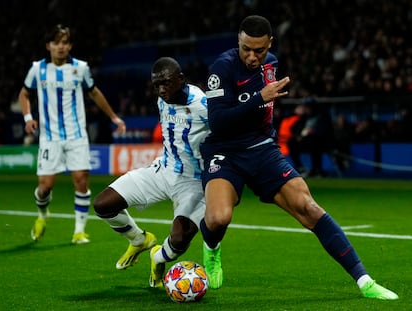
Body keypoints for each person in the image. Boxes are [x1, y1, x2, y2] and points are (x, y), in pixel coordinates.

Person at [199, 15, 398, 300]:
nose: (252, 57)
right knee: (219, 218)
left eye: (259, 50)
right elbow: (218, 122)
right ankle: (212, 248)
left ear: (270, 44)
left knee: (309, 207)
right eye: (246, 49)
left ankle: (365, 281)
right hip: (225, 152)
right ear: (238, 42)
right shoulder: (222, 67)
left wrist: (261, 108)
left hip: (262, 149)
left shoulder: (273, 64)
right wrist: (258, 97)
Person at [93, 57, 216, 288]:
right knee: (103, 204)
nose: (161, 90)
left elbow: (226, 132)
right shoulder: (163, 99)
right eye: (156, 85)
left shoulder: (202, 105)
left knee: (179, 240)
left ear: (181, 79)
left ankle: (157, 257)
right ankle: (138, 239)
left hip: (194, 182)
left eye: (166, 83)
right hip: (163, 170)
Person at [19, 24, 126, 244]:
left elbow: (94, 93)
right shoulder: (37, 69)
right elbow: (24, 93)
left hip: (77, 135)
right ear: (48, 45)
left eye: (65, 42)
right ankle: (42, 214)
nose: (61, 47)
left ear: (70, 45)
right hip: (49, 137)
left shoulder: (80, 68)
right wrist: (28, 118)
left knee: (81, 180)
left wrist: (114, 117)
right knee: (45, 187)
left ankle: (79, 231)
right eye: (56, 42)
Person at [287, 97, 334, 177]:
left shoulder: (322, 116)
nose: (307, 108)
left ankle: (317, 169)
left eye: (309, 106)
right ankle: (300, 168)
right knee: (291, 142)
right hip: (304, 141)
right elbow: (293, 128)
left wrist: (312, 132)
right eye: (306, 106)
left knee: (314, 142)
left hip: (320, 142)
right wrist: (295, 114)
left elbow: (325, 131)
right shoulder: (304, 117)